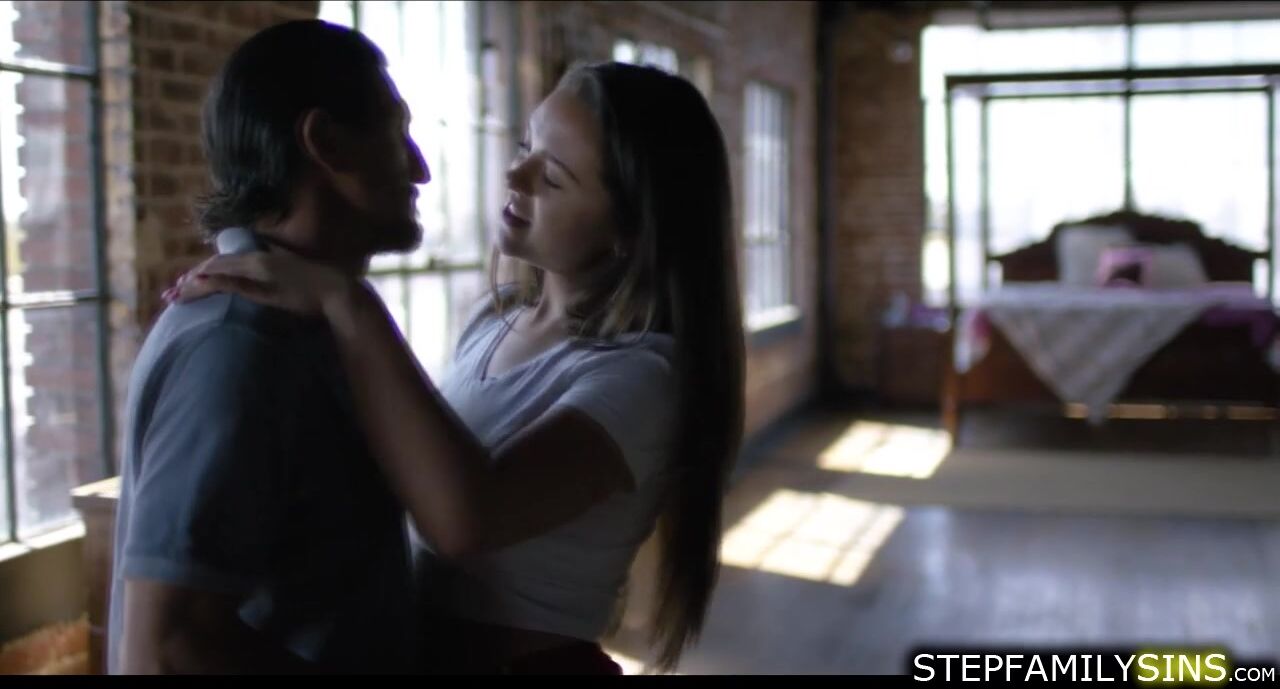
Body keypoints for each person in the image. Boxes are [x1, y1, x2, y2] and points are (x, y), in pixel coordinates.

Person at [171, 61, 745, 674]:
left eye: (552, 176)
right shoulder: (492, 322)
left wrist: (349, 304)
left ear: (630, 229)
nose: (514, 175)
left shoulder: (645, 378)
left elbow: (468, 520)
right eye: (525, 147)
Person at [107, 19, 430, 674]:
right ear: (325, 143)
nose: (419, 167)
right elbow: (163, 649)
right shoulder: (241, 342)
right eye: (397, 131)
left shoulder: (312, 323)